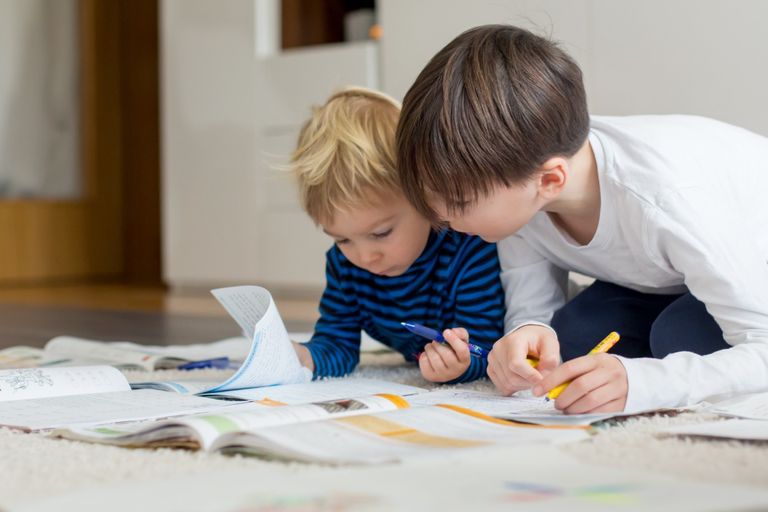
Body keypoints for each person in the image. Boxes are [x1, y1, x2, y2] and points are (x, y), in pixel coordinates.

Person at [395, 24, 768, 412]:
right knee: (570, 341)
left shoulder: (666, 202)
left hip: (754, 264)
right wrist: (525, 333)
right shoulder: (526, 180)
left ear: (551, 179)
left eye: (457, 201)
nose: (439, 216)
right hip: (673, 276)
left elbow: (762, 345)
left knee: (679, 337)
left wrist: (647, 382)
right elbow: (531, 304)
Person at [289, 86, 505, 383]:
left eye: (380, 233)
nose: (364, 257)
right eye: (342, 239)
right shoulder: (344, 266)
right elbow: (337, 345)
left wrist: (461, 365)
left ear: (424, 197)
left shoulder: (469, 251)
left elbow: (490, 349)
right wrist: (303, 358)